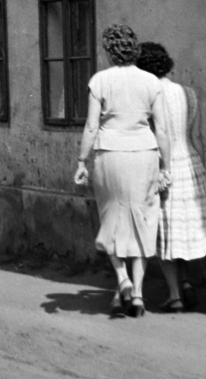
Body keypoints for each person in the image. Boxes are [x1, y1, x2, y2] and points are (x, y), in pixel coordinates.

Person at [73, 23, 172, 317]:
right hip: (144, 154)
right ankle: (138, 296)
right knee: (142, 221)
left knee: (112, 217)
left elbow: (92, 126)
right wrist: (165, 166)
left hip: (111, 154)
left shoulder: (100, 80)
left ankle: (123, 279)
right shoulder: (151, 82)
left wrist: (81, 161)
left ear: (108, 51)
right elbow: (162, 129)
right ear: (134, 48)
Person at [136, 42, 206, 311]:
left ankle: (175, 295)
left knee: (164, 231)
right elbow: (196, 136)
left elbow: (150, 134)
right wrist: (203, 169)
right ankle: (186, 284)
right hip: (190, 163)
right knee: (182, 230)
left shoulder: (149, 94)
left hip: (162, 164)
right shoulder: (189, 93)